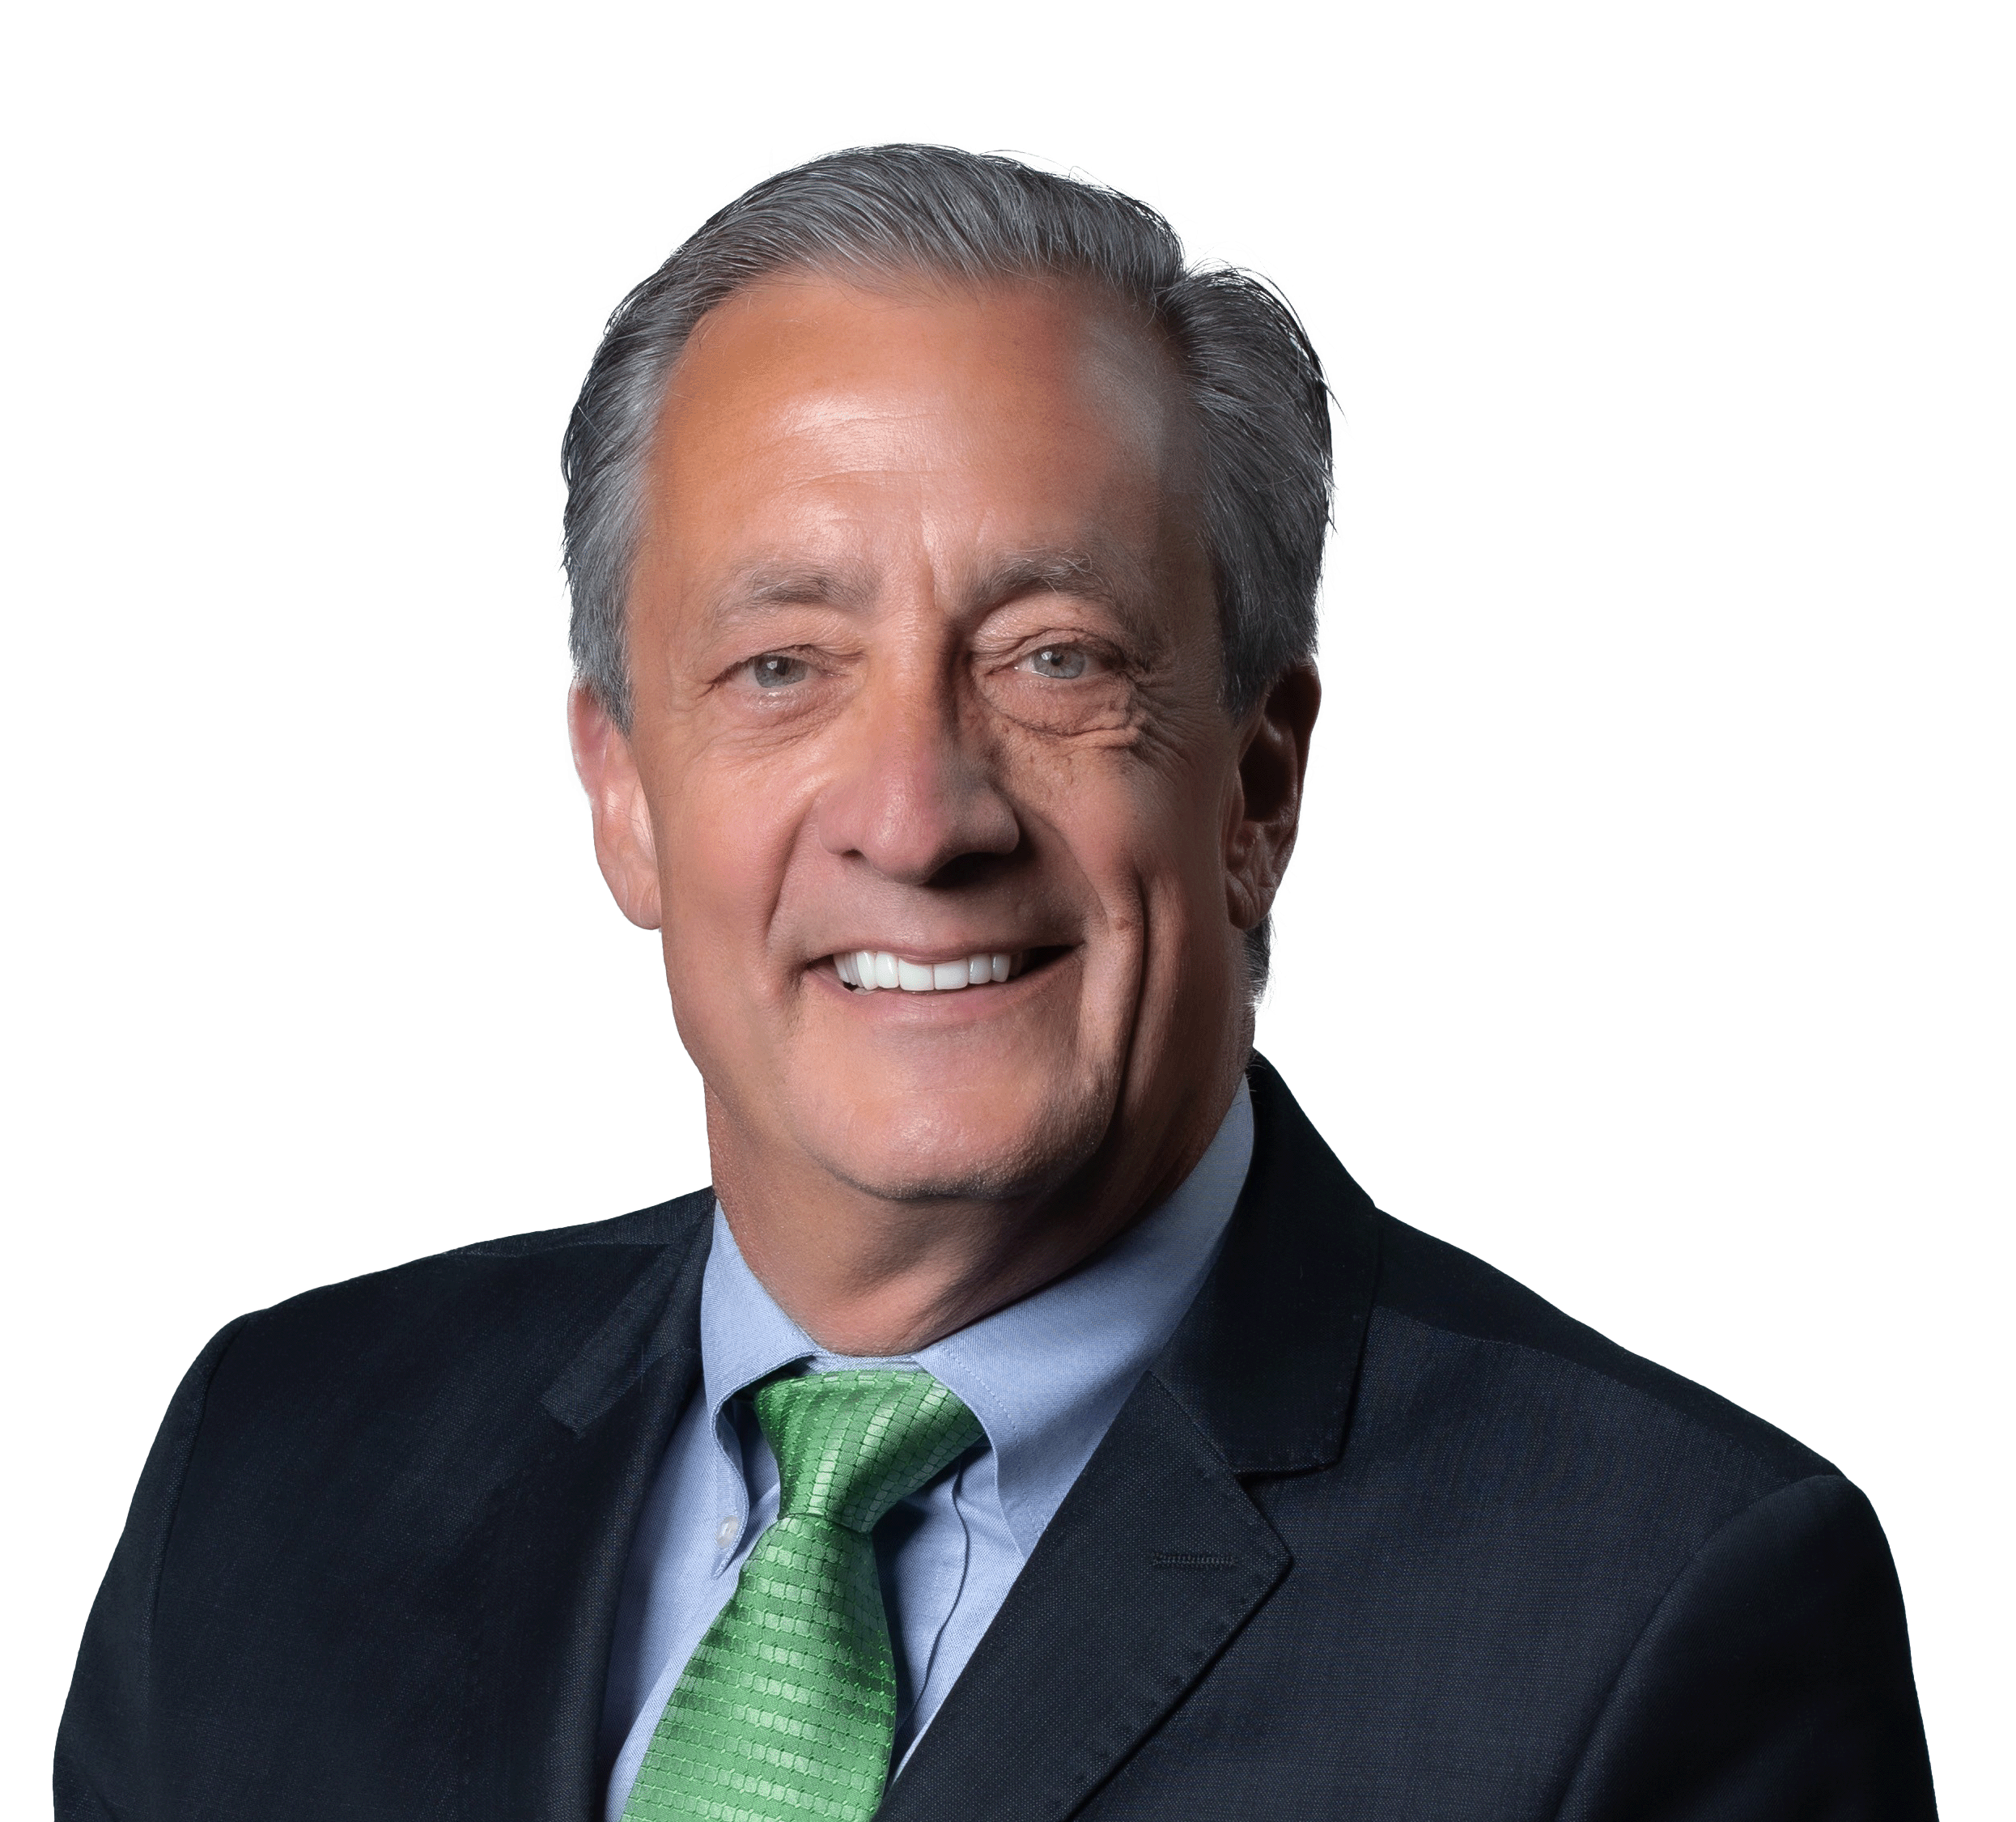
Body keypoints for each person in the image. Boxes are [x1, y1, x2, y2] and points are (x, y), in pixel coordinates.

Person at [56, 145, 1937, 1822]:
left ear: (1257, 789)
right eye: (783, 667)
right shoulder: (273, 1469)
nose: (918, 815)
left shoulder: (1658, 1608)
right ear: (623, 795)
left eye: (1054, 659)